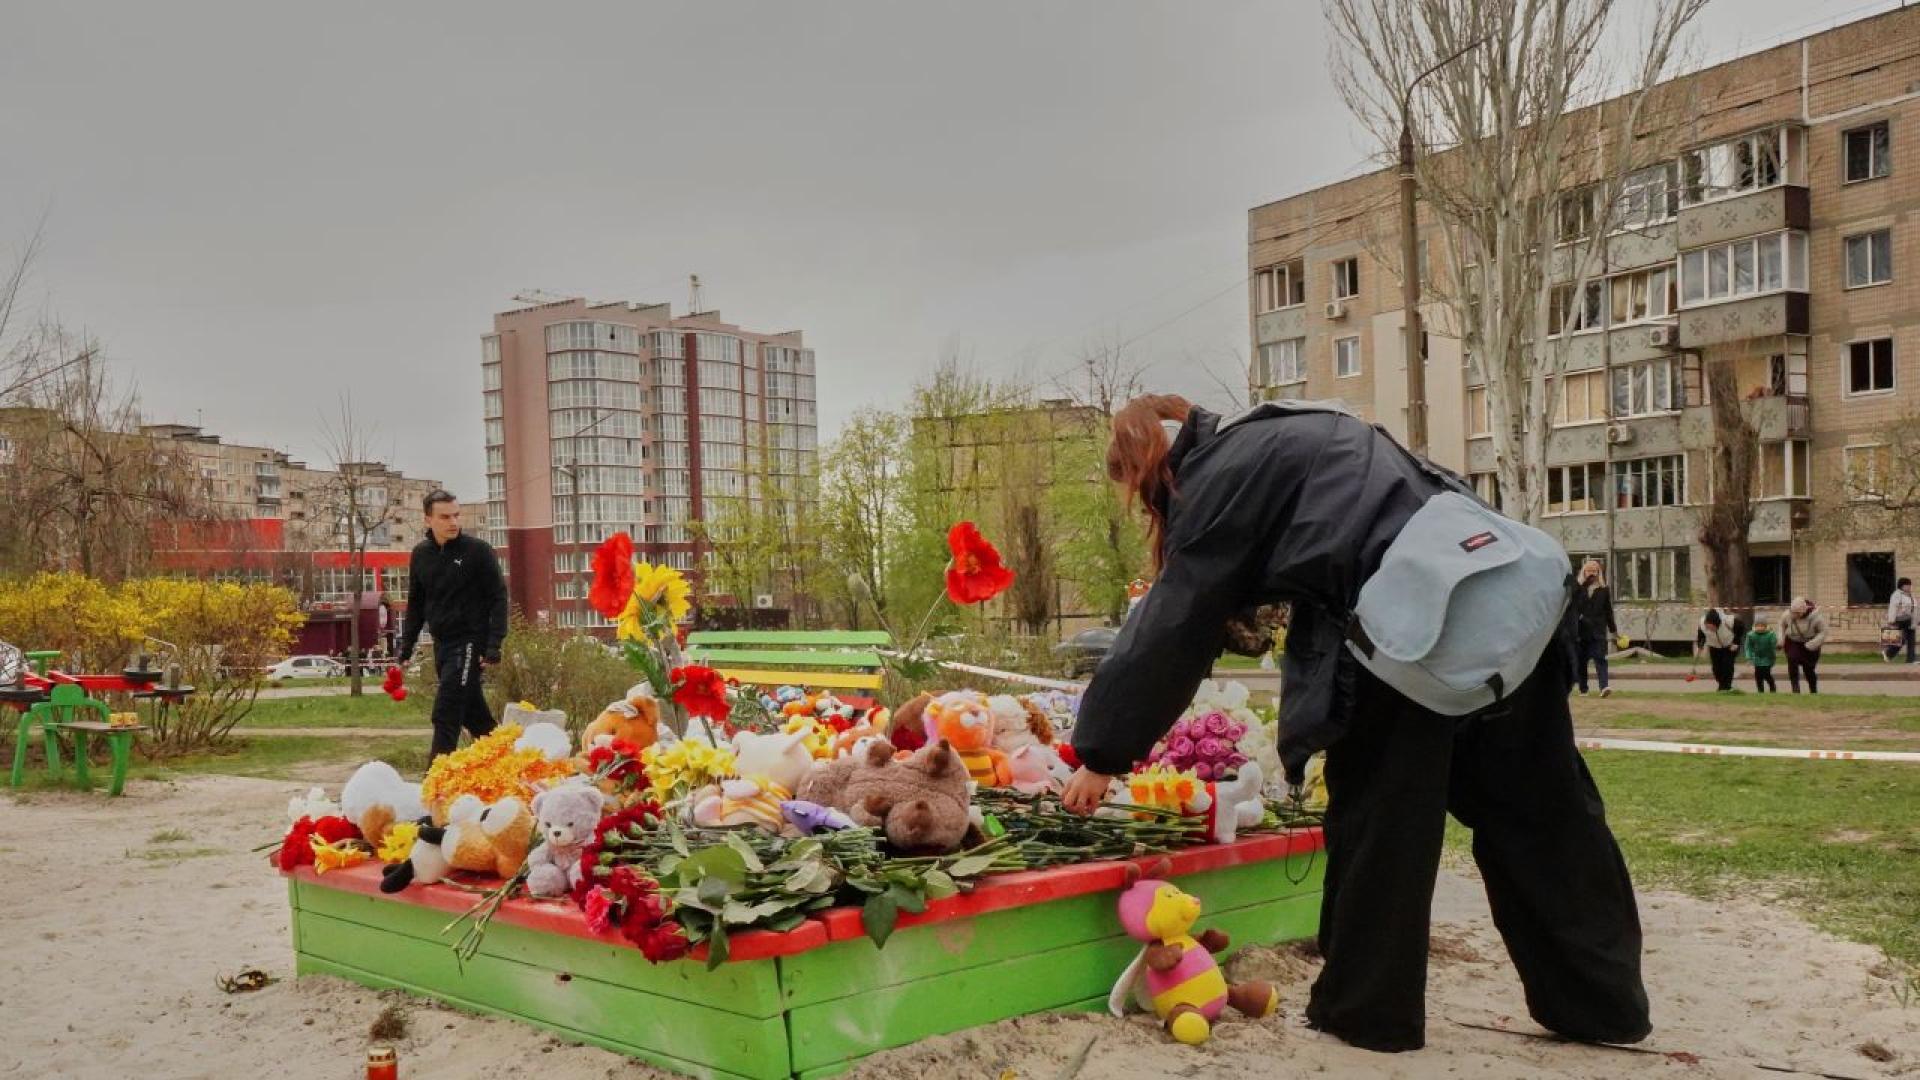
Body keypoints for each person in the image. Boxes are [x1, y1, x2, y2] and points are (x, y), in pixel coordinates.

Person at [1063, 395, 1649, 1054]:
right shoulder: (1300, 424)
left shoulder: (1220, 473)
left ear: (1150, 464)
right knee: (1545, 809)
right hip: (1503, 595)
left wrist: (1102, 752)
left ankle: (1367, 1011)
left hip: (1405, 630)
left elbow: (1176, 623)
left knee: (1382, 817)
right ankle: (1602, 1004)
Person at [396, 490, 509, 760]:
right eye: (445, 517)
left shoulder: (477, 551)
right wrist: (406, 646)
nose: (453, 522)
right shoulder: (421, 555)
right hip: (442, 645)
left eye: (456, 515)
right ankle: (517, 766)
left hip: (470, 642)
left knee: (446, 711)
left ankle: (434, 784)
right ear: (428, 520)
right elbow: (416, 603)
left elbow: (499, 597)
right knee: (477, 719)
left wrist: (494, 644)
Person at [1572, 559, 1617, 697]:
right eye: (1589, 570)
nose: (1592, 573)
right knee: (1581, 661)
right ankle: (1583, 689)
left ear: (1599, 573)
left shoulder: (1604, 590)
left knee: (1600, 658)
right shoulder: (1578, 588)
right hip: (1581, 631)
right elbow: (1572, 608)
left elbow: (1608, 611)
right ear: (1584, 572)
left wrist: (1613, 630)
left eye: (1595, 571)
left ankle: (1604, 687)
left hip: (1598, 631)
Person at [1781, 596, 1828, 695]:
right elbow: (1781, 626)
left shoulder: (1816, 617)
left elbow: (1823, 632)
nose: (1795, 615)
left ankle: (1813, 690)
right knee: (1792, 659)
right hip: (1794, 642)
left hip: (1810, 644)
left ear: (1804, 610)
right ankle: (1795, 688)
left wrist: (1813, 643)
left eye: (1797, 613)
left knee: (1808, 669)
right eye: (1793, 612)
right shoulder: (1787, 615)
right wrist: (1780, 640)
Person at [1694, 608, 1741, 693]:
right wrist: (1700, 646)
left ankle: (1726, 687)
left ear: (1717, 624)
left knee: (1727, 666)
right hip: (1714, 646)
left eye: (1712, 627)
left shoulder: (1729, 621)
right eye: (1708, 627)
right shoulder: (1702, 624)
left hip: (1729, 646)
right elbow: (1701, 636)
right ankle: (1722, 686)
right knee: (1716, 669)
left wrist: (1736, 642)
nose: (1710, 629)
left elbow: (1740, 629)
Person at [1744, 616, 1779, 693]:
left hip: (1768, 658)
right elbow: (1748, 647)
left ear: (1765, 626)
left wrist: (1776, 646)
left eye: (1762, 625)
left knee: (1766, 674)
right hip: (1757, 658)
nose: (1760, 627)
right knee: (1758, 676)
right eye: (1758, 625)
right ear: (1755, 626)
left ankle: (1772, 687)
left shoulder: (1770, 634)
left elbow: (1774, 643)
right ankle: (1760, 691)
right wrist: (1749, 658)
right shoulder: (1751, 635)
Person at [1886, 577, 1916, 664]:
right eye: (1907, 585)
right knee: (1901, 640)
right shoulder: (1897, 595)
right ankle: (1888, 653)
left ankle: (1910, 660)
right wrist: (1891, 620)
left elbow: (1914, 608)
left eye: (1910, 585)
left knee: (1911, 640)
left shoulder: (1910, 595)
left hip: (1910, 620)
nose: (1909, 587)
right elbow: (1893, 607)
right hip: (1900, 620)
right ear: (1902, 586)